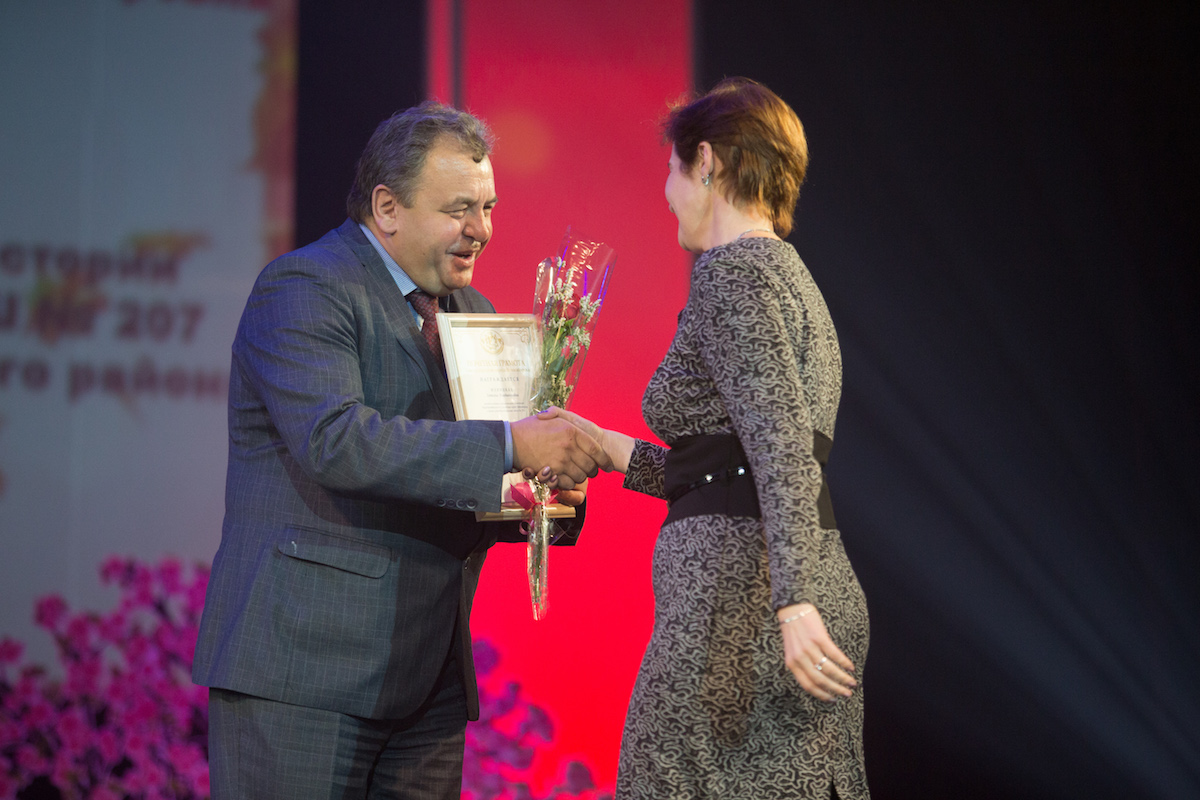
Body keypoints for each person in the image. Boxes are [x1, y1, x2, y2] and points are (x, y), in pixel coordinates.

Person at [191, 102, 610, 800]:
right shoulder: (306, 287)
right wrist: (511, 443)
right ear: (387, 208)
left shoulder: (474, 315)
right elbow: (336, 441)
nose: (481, 229)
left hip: (426, 682)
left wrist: (546, 490)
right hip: (304, 674)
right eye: (459, 209)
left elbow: (471, 479)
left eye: (488, 207)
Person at [543, 78, 870, 799]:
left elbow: (781, 450)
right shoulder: (787, 276)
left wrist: (794, 602)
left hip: (742, 601)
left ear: (708, 162)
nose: (667, 194)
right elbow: (731, 467)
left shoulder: (734, 277)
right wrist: (607, 448)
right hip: (771, 585)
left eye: (673, 169)